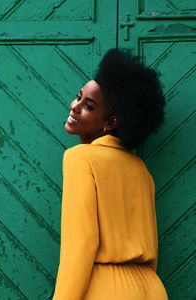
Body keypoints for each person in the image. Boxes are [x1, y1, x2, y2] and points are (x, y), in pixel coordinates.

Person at [52, 48, 168, 300]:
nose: (75, 107)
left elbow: (81, 245)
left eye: (89, 106)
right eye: (78, 97)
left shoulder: (79, 158)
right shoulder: (140, 169)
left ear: (111, 122)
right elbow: (152, 248)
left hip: (106, 289)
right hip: (153, 288)